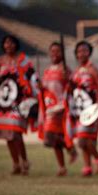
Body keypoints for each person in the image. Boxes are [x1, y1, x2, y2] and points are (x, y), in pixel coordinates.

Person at [0, 35, 37, 175]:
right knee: (7, 134)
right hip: (5, 102)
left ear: (16, 44)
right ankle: (15, 163)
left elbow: (33, 77)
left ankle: (24, 161)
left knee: (16, 132)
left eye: (11, 43)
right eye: (6, 43)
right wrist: (0, 75)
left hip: (19, 101)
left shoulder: (24, 60)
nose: (8, 45)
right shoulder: (0, 61)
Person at [38, 42, 77, 176]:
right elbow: (45, 89)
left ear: (63, 54)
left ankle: (69, 149)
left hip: (63, 108)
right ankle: (65, 159)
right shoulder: (47, 71)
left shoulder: (66, 69)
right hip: (50, 109)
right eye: (52, 51)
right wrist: (40, 87)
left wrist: (69, 80)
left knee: (55, 136)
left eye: (58, 51)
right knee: (52, 138)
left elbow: (73, 88)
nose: (55, 54)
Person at [69, 40, 98, 177]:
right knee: (84, 140)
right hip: (79, 110)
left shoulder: (92, 70)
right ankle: (88, 167)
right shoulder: (76, 72)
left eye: (84, 50)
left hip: (91, 110)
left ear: (89, 53)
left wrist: (97, 106)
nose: (82, 53)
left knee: (83, 139)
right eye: (79, 51)